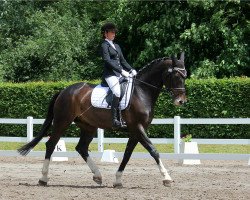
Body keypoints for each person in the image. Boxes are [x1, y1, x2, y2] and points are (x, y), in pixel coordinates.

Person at [100, 22, 137, 128]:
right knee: (116, 92)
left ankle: (125, 115)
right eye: (112, 32)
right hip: (110, 74)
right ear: (106, 33)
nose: (114, 34)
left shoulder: (116, 46)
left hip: (119, 74)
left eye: (114, 32)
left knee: (129, 89)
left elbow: (122, 60)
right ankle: (114, 120)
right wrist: (121, 71)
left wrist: (131, 69)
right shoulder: (104, 45)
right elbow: (107, 61)